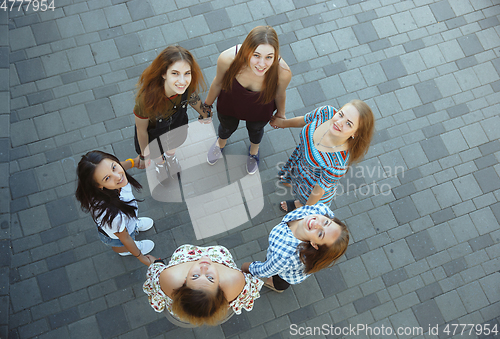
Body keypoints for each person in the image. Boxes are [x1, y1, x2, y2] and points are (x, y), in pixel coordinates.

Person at [204, 25, 292, 174]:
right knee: (225, 127)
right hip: (230, 104)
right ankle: (220, 143)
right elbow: (217, 82)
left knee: (256, 130)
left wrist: (281, 114)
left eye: (269, 57)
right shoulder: (228, 59)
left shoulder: (282, 72)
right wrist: (206, 105)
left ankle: (254, 151)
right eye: (256, 55)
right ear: (246, 50)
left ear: (276, 55)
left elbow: (280, 94)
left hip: (260, 108)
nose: (262, 64)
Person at [270, 100, 375, 212]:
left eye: (348, 124)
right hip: (298, 161)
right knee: (289, 179)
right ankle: (290, 179)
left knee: (303, 199)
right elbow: (304, 120)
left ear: (355, 133)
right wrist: (282, 123)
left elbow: (318, 190)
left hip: (310, 185)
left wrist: (305, 210)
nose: (339, 122)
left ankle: (298, 204)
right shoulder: (325, 112)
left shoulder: (338, 163)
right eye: (340, 114)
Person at [134, 45, 210, 179]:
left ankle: (170, 158)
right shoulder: (146, 100)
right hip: (154, 136)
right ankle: (160, 163)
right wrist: (144, 155)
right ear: (164, 73)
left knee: (173, 146)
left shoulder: (186, 86)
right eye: (175, 73)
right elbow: (141, 130)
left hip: (177, 128)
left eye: (187, 73)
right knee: (156, 152)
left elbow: (192, 97)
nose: (182, 81)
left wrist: (204, 113)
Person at [143, 244, 263, 327]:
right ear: (219, 286)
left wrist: (157, 263)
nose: (204, 267)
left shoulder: (168, 277)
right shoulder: (236, 281)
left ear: (184, 283)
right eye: (210, 278)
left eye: (195, 276)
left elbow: (155, 272)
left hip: (180, 318)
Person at [241, 203, 349, 292]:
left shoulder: (283, 256)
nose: (316, 223)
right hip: (285, 262)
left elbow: (263, 270)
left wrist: (246, 267)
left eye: (320, 234)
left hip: (287, 273)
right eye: (326, 222)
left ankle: (277, 287)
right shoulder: (321, 210)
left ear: (315, 244)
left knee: (280, 281)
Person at [75, 150, 156, 266]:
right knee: (122, 244)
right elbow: (125, 238)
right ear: (98, 185)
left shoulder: (113, 183)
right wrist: (141, 258)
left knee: (128, 229)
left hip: (125, 221)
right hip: (119, 235)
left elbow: (119, 166)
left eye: (114, 167)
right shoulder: (112, 215)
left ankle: (133, 225)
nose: (118, 176)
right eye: (107, 178)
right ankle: (128, 250)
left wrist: (134, 162)